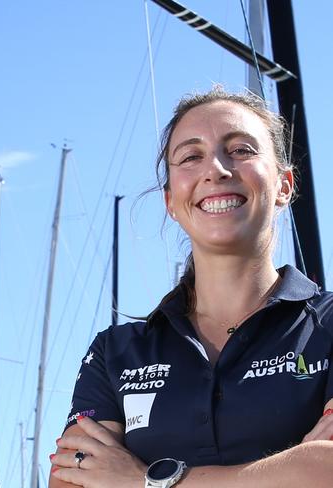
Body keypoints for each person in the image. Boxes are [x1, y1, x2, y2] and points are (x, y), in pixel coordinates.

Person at [49, 88, 333, 487]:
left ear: (285, 185)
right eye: (191, 156)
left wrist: (141, 481)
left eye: (241, 149)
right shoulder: (115, 353)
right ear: (170, 200)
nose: (215, 169)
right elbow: (72, 482)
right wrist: (290, 466)